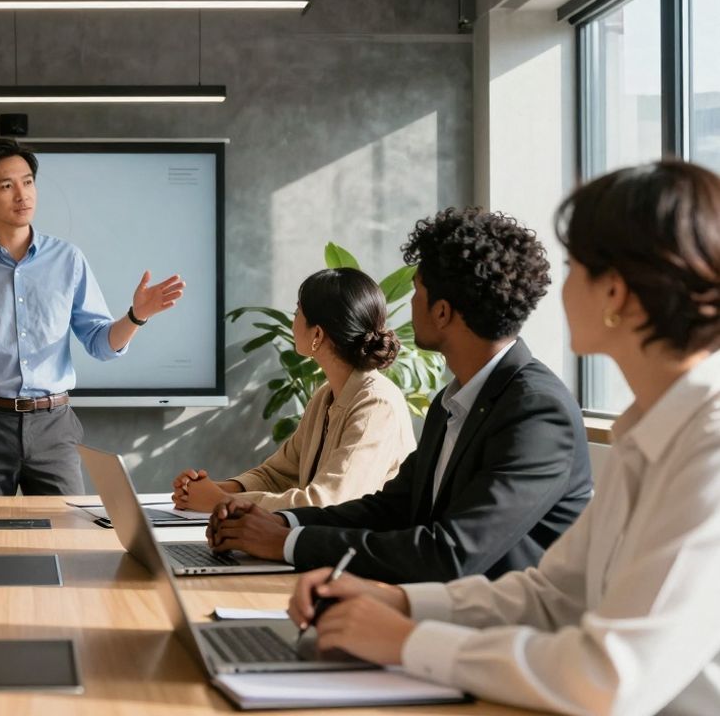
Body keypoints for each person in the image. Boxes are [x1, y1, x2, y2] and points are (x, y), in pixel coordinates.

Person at [286, 160, 720, 715]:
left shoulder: (704, 449)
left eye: (572, 267)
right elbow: (551, 596)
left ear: (615, 292)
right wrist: (394, 601)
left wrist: (406, 641)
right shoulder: (648, 430)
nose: (551, 288)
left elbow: (609, 678)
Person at [207, 208, 593, 583]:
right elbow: (393, 508)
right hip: (441, 615)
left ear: (442, 313)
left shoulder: (537, 411)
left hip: (502, 636)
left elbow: (451, 554)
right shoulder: (453, 403)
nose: (408, 305)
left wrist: (289, 543)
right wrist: (280, 523)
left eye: (417, 291)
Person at [0, 138, 186, 495]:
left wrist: (136, 316)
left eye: (28, 181)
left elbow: (100, 344)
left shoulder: (68, 259)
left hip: (54, 425)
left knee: (67, 537)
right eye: (6, 185)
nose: (22, 195)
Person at [171, 268, 416, 512]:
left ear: (317, 334)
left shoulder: (376, 405)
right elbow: (277, 475)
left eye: (298, 311)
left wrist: (219, 501)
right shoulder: (325, 396)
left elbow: (328, 503)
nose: (293, 320)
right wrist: (217, 489)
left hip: (357, 548)